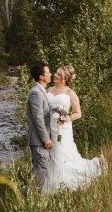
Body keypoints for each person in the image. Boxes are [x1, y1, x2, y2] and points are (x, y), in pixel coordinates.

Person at [43, 65, 106, 193]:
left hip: (63, 129)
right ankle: (51, 179)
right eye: (55, 73)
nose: (55, 75)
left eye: (59, 74)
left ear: (65, 78)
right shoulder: (48, 90)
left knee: (62, 152)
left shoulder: (70, 93)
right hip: (50, 128)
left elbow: (78, 113)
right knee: (51, 154)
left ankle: (65, 181)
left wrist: (66, 118)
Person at [27, 62, 53, 189]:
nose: (50, 74)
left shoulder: (42, 91)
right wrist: (45, 138)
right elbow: (38, 118)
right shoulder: (35, 93)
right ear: (41, 76)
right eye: (48, 72)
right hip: (38, 140)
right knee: (41, 169)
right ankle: (32, 198)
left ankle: (32, 198)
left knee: (40, 169)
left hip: (41, 139)